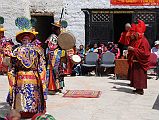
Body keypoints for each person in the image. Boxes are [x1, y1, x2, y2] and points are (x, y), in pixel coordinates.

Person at [7, 17, 47, 118]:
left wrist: (12, 77)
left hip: (20, 76)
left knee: (22, 94)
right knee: (33, 94)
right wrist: (42, 78)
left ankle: (21, 111)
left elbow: (12, 67)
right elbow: (41, 66)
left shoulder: (16, 51)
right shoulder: (37, 50)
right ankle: (34, 111)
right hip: (33, 76)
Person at [127, 20, 151, 95]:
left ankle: (140, 90)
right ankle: (137, 88)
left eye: (136, 34)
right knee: (136, 76)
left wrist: (133, 49)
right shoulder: (137, 40)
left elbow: (145, 53)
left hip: (140, 62)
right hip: (135, 61)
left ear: (139, 34)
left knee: (140, 76)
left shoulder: (144, 41)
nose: (135, 35)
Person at [45, 21, 65, 94]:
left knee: (60, 71)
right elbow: (51, 46)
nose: (60, 30)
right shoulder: (53, 37)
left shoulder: (58, 36)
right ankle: (53, 87)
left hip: (58, 55)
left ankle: (59, 87)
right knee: (55, 71)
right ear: (56, 29)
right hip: (54, 56)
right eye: (59, 29)